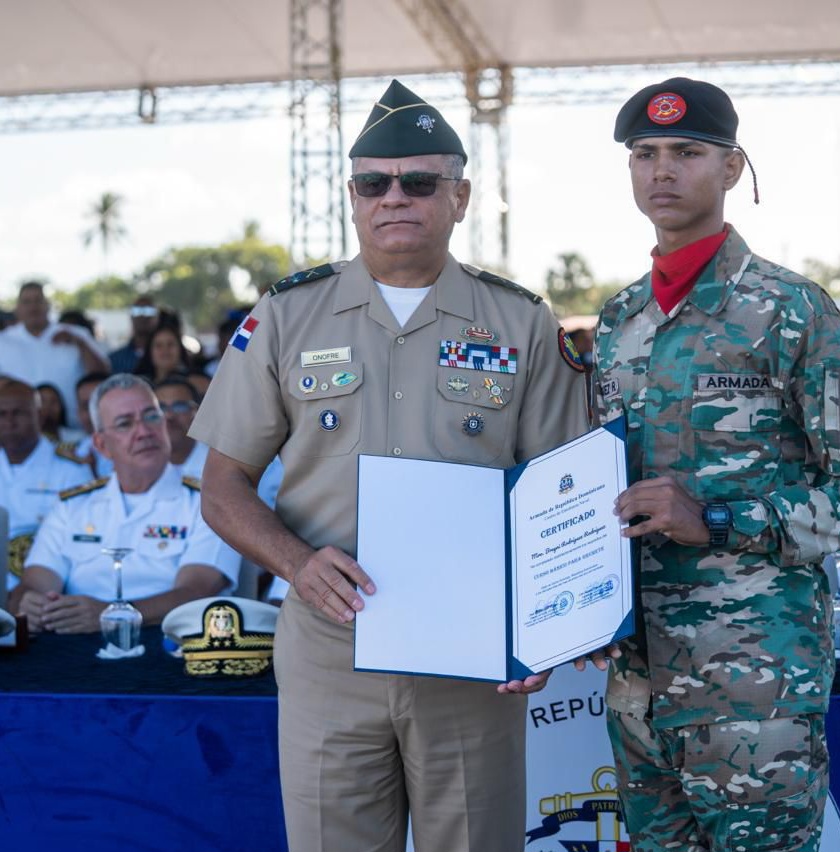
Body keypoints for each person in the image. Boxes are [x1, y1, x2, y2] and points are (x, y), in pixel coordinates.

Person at [187, 79, 589, 852]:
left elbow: (560, 491)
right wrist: (297, 564)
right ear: (352, 195)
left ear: (461, 196)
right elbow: (222, 486)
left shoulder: (520, 319)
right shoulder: (286, 315)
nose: (394, 197)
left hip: (472, 663)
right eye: (374, 182)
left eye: (419, 181)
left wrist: (545, 627)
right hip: (331, 654)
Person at [585, 77, 840, 852]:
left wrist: (720, 520)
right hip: (637, 683)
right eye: (645, 154)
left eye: (687, 152)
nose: (662, 170)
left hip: (754, 689)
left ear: (731, 170)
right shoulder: (618, 322)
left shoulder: (792, 310)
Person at [8, 373, 240, 633]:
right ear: (101, 445)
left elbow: (196, 593)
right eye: (124, 424)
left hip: (169, 650)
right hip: (74, 651)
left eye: (152, 416)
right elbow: (32, 585)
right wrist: (31, 604)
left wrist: (111, 616)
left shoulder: (208, 502)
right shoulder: (71, 507)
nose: (143, 432)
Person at [0, 378, 92, 591]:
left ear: (39, 415)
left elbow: (81, 540)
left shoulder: (71, 470)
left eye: (18, 413)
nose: (9, 422)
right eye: (1, 414)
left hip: (49, 591)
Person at [0, 281, 110, 428]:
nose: (33, 307)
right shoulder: (3, 340)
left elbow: (102, 374)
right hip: (20, 431)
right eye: (26, 301)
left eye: (38, 300)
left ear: (48, 305)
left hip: (73, 428)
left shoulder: (76, 334)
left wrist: (80, 344)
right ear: (17, 308)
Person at [154, 377, 207, 478]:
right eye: (160, 408)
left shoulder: (217, 464)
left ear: (198, 412)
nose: (169, 416)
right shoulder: (137, 465)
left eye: (180, 407)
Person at [72, 372, 114, 478]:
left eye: (99, 404)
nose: (94, 413)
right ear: (78, 413)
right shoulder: (74, 455)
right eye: (86, 406)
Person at [109, 296, 159, 373]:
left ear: (157, 317)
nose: (143, 316)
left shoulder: (165, 356)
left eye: (149, 311)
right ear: (131, 316)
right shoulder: (115, 359)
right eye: (137, 311)